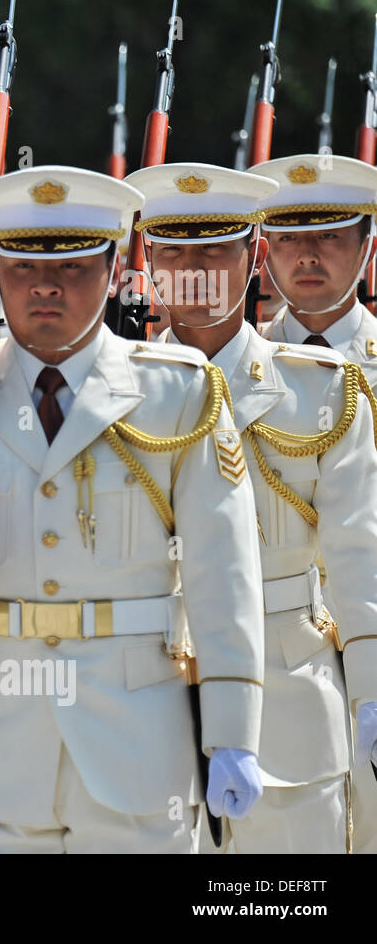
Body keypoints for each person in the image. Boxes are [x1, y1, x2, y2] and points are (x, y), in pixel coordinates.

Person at [0, 166, 267, 852]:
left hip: (137, 745)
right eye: (23, 267)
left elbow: (222, 571)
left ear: (117, 269)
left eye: (75, 267)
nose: (46, 287)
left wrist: (234, 731)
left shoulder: (176, 391)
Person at [129, 162, 377, 852]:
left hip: (290, 700)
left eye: (213, 250)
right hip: (151, 699)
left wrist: (372, 687)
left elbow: (358, 555)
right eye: (173, 253)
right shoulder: (115, 394)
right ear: (149, 265)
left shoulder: (324, 392)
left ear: (253, 258)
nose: (193, 271)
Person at [250, 153, 377, 852]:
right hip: (283, 636)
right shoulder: (234, 368)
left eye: (328, 236)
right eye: (290, 238)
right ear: (265, 250)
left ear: (366, 246)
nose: (307, 256)